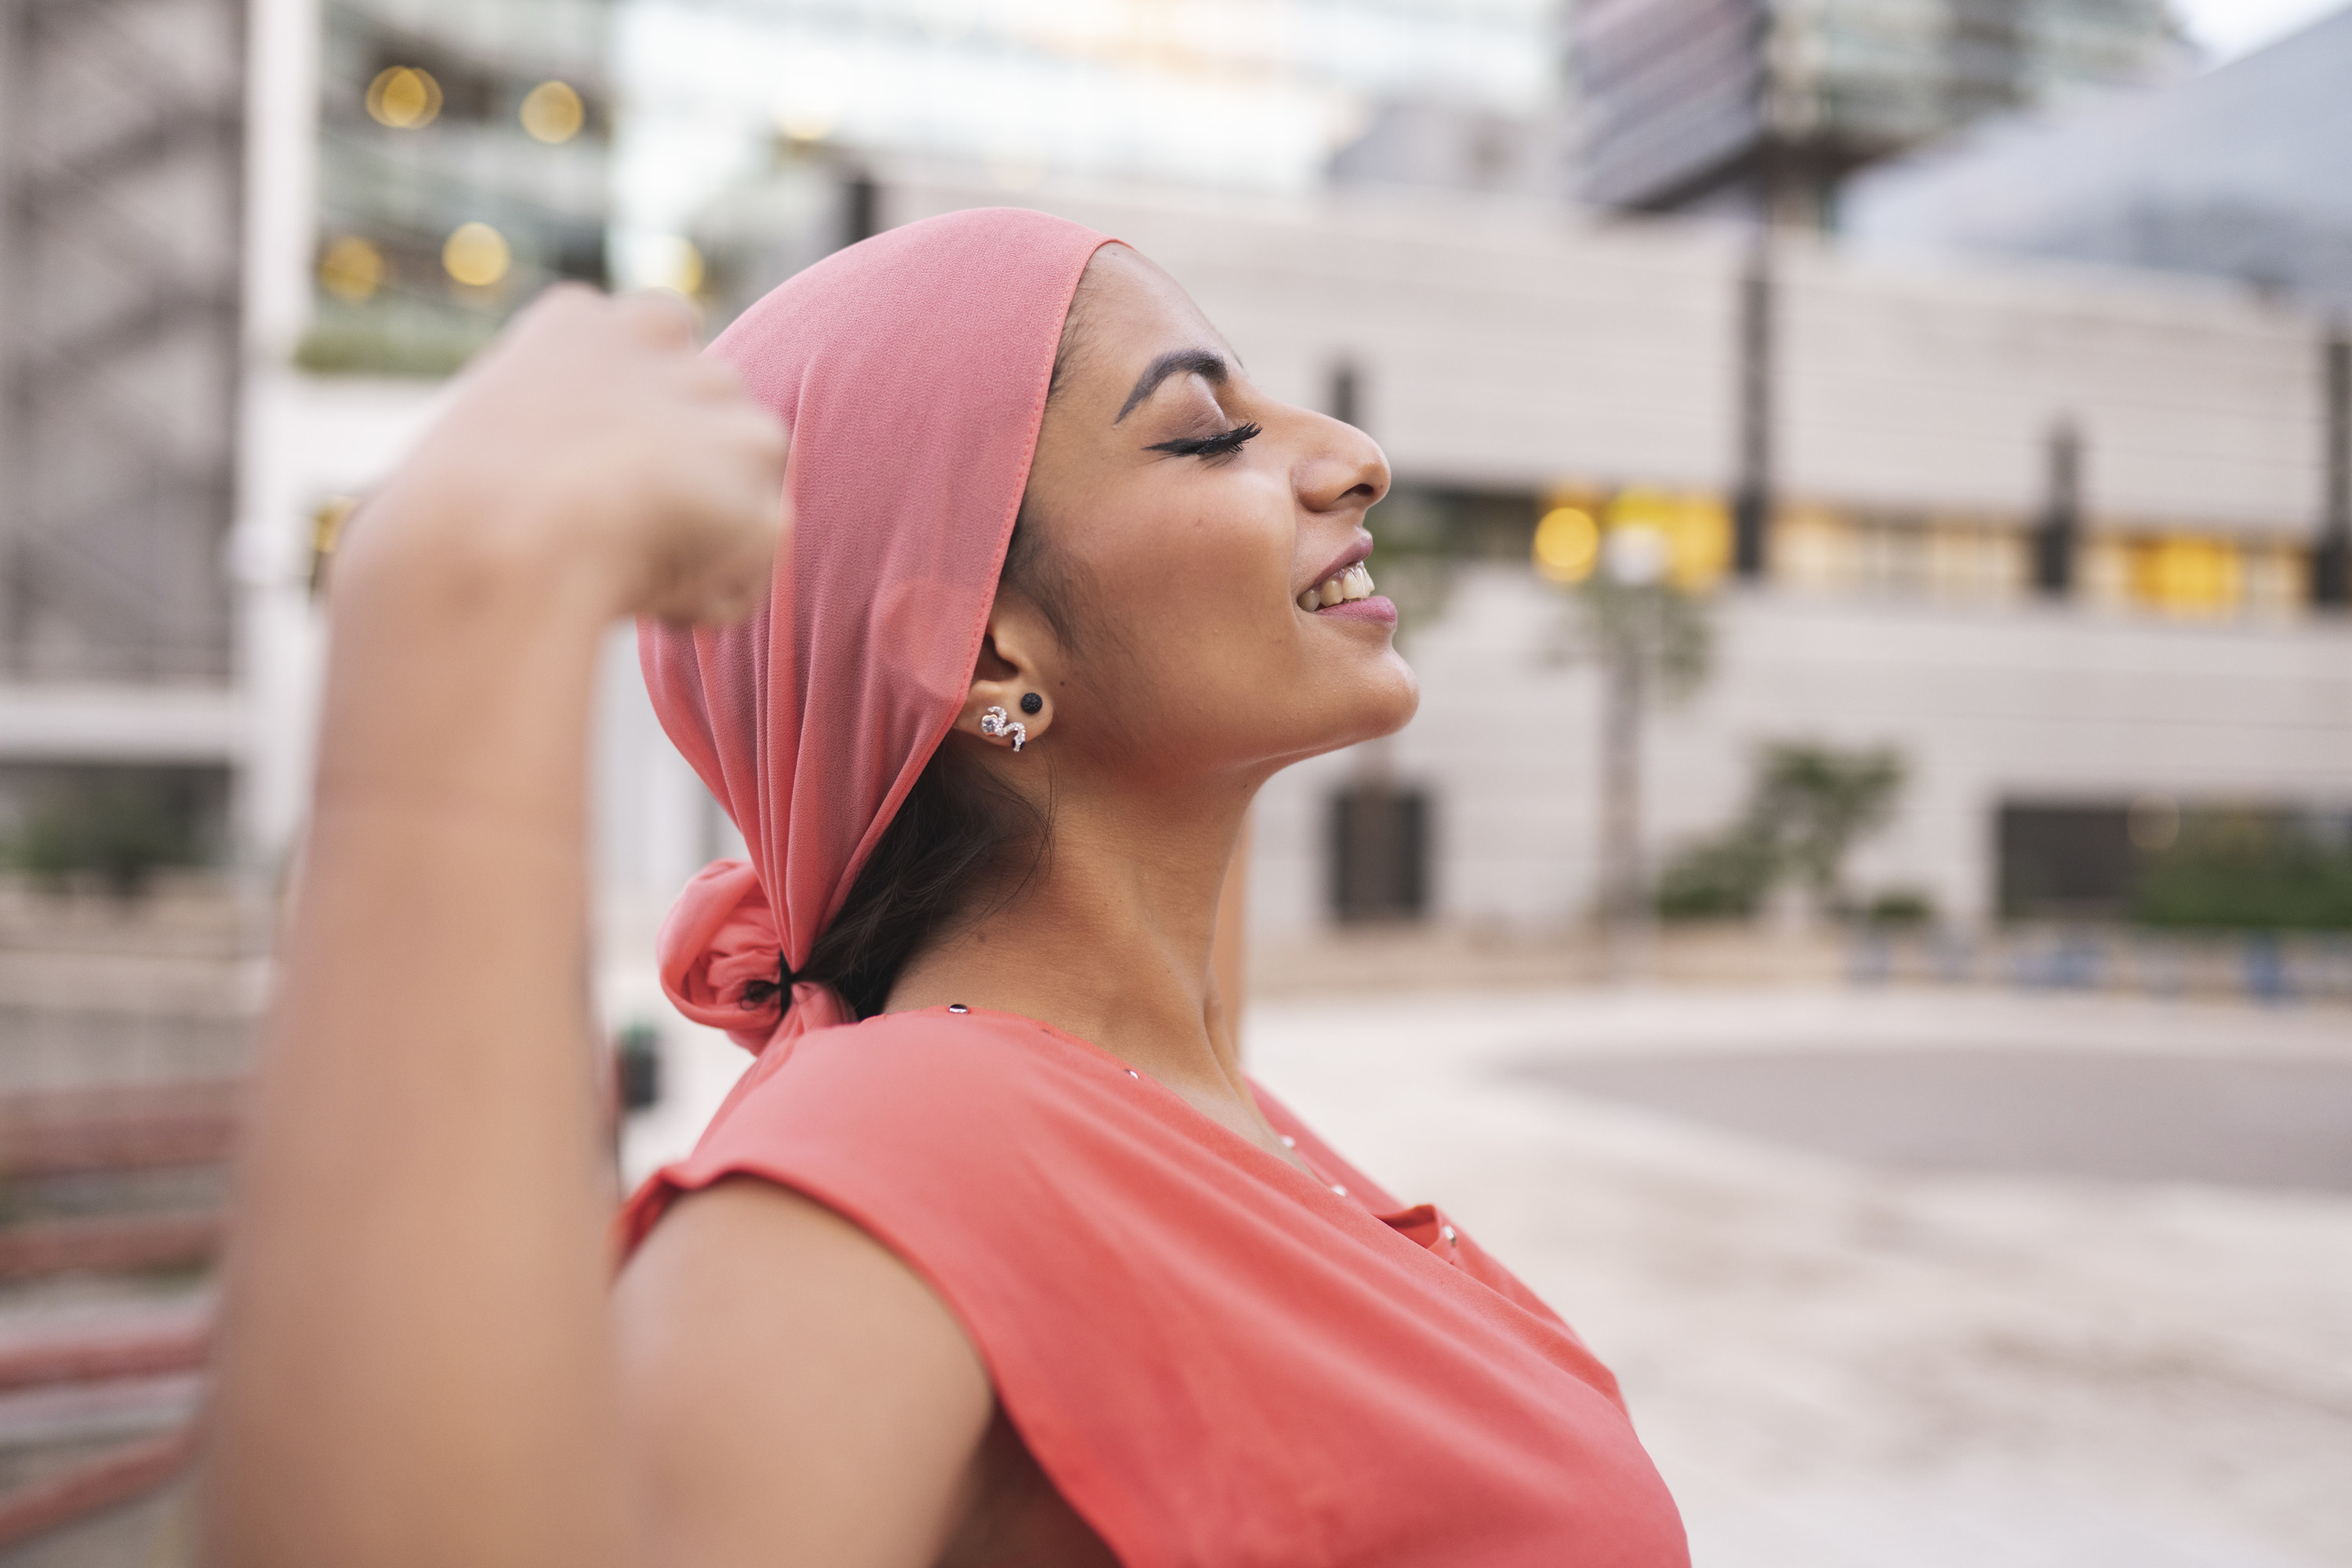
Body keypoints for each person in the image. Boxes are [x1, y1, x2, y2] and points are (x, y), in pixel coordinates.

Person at [204, 207, 1686, 1567]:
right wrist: (468, 588)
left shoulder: (1178, 1107)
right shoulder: (904, 1147)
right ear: (985, 659)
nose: (1351, 452)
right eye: (1204, 435)